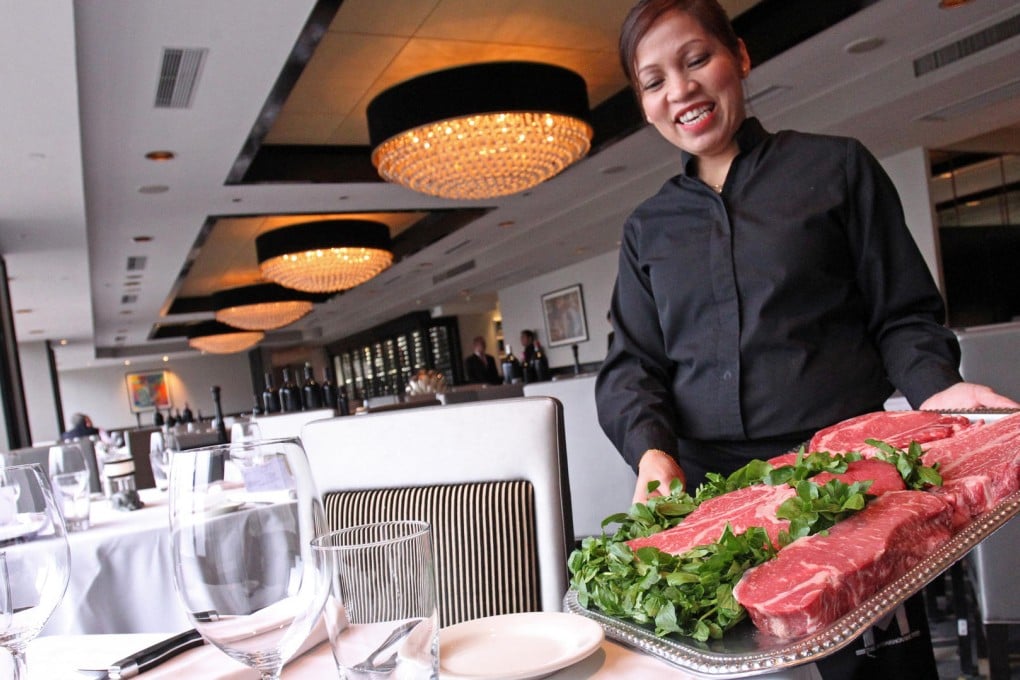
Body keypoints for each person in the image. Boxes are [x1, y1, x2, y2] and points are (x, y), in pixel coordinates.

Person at [594, 1, 1019, 677]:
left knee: (881, 668)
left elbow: (901, 314)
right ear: (644, 103)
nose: (680, 90)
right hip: (715, 498)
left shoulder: (837, 169)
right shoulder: (648, 230)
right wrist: (652, 454)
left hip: (843, 480)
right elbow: (632, 367)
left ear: (739, 56)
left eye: (696, 59)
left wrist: (939, 387)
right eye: (653, 81)